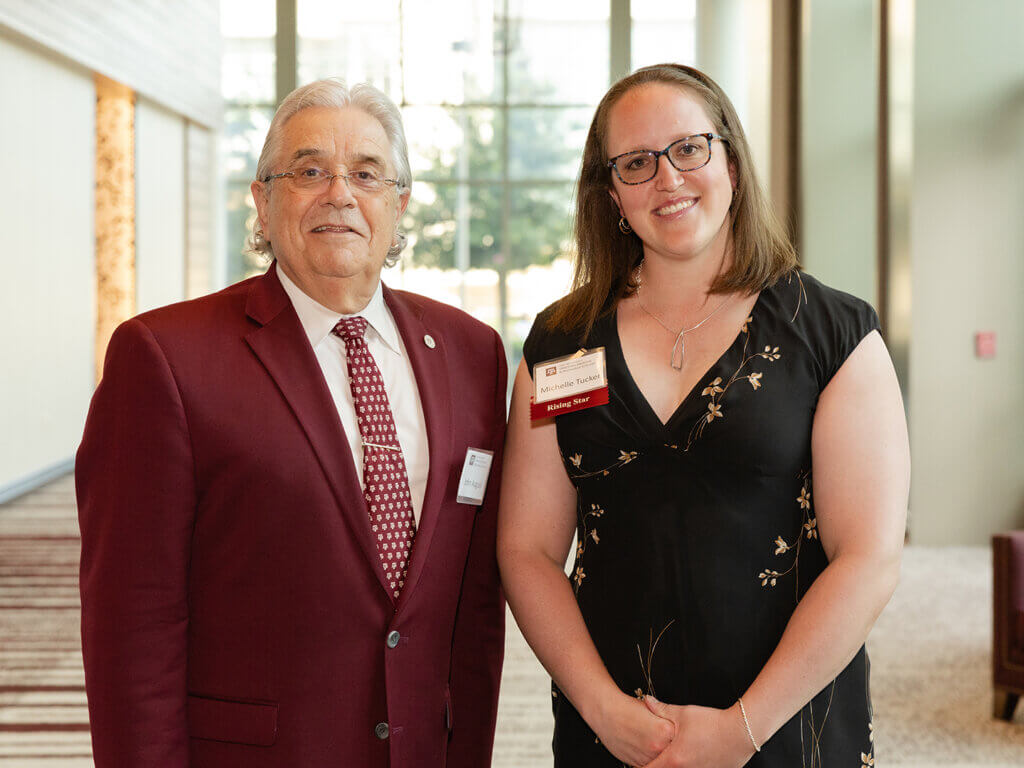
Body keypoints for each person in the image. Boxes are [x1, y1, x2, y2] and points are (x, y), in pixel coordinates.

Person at [77, 79, 507, 768]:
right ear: (262, 198)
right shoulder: (164, 358)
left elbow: (475, 613)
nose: (339, 192)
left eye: (366, 174)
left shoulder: (472, 354)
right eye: (309, 171)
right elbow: (133, 625)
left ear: (397, 205)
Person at [498, 63, 909, 767]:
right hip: (616, 729)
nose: (667, 178)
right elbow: (527, 551)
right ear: (610, 196)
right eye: (636, 163)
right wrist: (602, 707)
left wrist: (742, 729)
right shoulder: (562, 344)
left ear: (732, 163)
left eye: (689, 148)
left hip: (786, 725)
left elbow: (868, 559)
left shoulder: (834, 335)